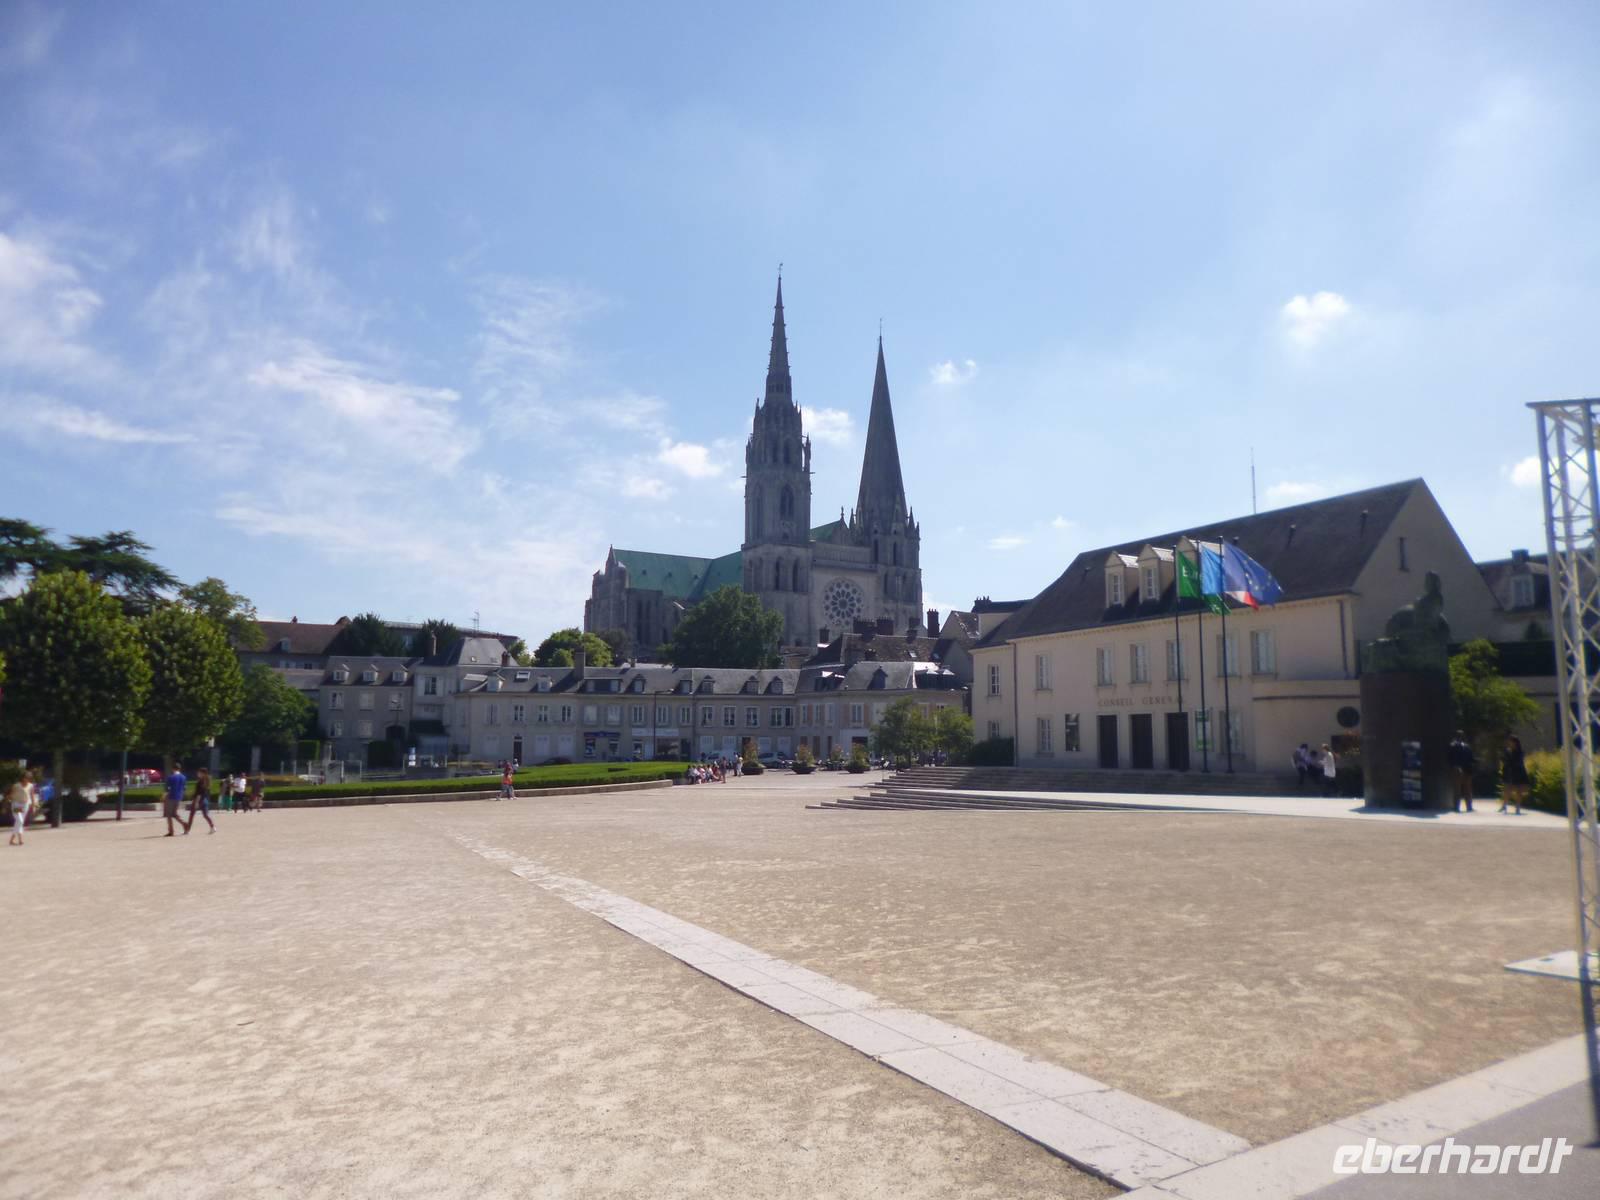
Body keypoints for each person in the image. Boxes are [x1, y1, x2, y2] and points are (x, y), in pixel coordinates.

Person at [1500, 735, 1529, 815]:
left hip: (1518, 772)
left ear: (1515, 742)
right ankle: (1504, 805)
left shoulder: (1520, 751)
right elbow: (1504, 760)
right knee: (1507, 789)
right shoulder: (1508, 751)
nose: (1509, 743)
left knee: (1518, 790)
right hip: (1510, 772)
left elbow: (1519, 761)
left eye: (1511, 742)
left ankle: (1518, 807)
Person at [1447, 731, 1475, 812]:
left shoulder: (1452, 745)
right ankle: (1469, 806)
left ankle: (1457, 807)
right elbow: (1471, 758)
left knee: (1457, 789)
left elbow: (1449, 758)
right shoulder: (1467, 746)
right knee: (1467, 789)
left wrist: (1453, 766)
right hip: (1466, 769)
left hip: (1458, 768)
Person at [6, 770, 33, 846]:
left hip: (25, 805)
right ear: (23, 778)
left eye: (29, 778)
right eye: (26, 778)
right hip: (16, 805)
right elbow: (9, 794)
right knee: (20, 820)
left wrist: (34, 804)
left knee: (19, 822)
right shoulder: (16, 785)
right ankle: (14, 839)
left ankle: (17, 840)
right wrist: (7, 801)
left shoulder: (31, 785)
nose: (27, 779)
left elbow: (31, 795)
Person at [185, 767, 215, 834]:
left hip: (198, 800)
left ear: (202, 773)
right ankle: (212, 827)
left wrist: (196, 802)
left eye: (199, 772)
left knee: (191, 815)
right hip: (204, 800)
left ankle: (187, 830)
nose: (197, 773)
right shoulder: (207, 781)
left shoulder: (200, 782)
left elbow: (199, 793)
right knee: (205, 815)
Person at [163, 763, 188, 837]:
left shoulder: (170, 777)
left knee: (169, 815)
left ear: (173, 769)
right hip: (179, 797)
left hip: (171, 797)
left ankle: (171, 831)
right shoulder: (183, 777)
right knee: (174, 814)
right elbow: (184, 788)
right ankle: (184, 824)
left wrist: (163, 797)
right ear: (179, 769)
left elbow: (167, 789)